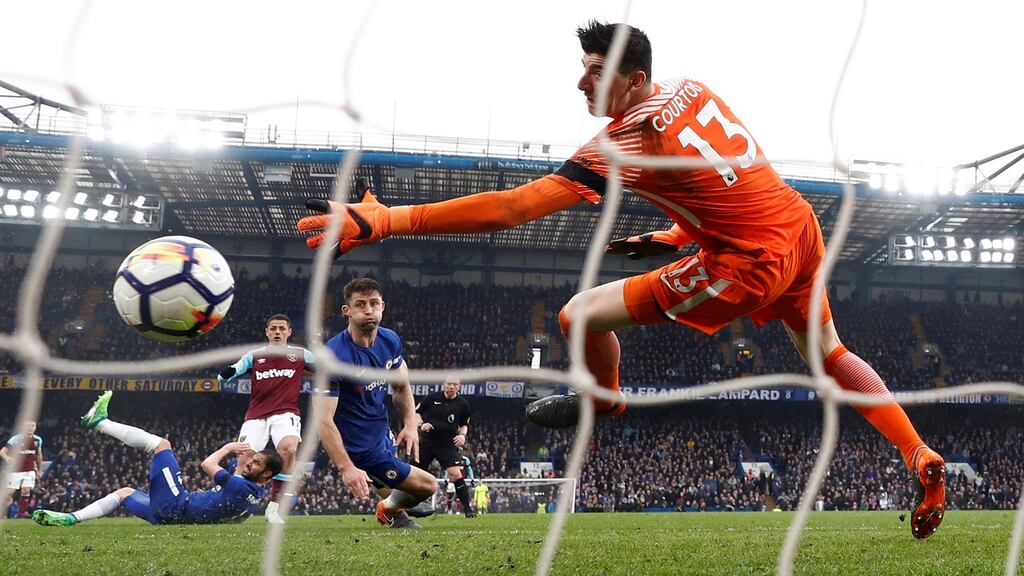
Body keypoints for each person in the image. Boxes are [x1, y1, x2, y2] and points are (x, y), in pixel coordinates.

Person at [294, 21, 946, 539]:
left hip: (749, 264)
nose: (583, 86)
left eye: (596, 73)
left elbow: (516, 208)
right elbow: (732, 184)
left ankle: (605, 402)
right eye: (581, 72)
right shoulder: (692, 89)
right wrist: (672, 237)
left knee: (578, 316)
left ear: (634, 81)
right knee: (832, 355)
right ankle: (920, 455)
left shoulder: (629, 135)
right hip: (797, 228)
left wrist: (386, 221)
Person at [32, 391, 282, 527]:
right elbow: (234, 519)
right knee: (124, 492)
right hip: (166, 518)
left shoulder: (239, 485)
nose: (250, 462)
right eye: (253, 459)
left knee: (162, 445)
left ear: (267, 474)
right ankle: (71, 518)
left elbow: (206, 464)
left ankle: (99, 423)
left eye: (256, 463)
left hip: (176, 506)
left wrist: (228, 447)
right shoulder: (255, 498)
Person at [319, 278, 437, 529]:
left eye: (374, 303)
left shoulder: (390, 340)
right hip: (359, 445)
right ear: (346, 310)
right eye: (360, 304)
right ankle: (391, 508)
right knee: (429, 487)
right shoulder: (334, 356)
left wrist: (409, 423)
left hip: (381, 428)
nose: (368, 309)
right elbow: (323, 420)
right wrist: (346, 468)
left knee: (386, 483)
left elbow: (401, 384)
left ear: (383, 306)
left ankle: (395, 513)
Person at [218, 313, 314, 524]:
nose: (277, 332)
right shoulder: (254, 356)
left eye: (281, 328)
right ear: (267, 332)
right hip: (256, 415)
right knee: (245, 459)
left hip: (285, 412)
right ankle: (233, 507)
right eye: (273, 328)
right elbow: (235, 369)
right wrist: (227, 373)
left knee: (288, 450)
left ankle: (275, 507)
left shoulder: (300, 354)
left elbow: (324, 367)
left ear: (289, 332)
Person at [413, 375, 475, 517]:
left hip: (447, 443)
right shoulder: (431, 398)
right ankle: (406, 506)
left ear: (459, 387)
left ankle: (468, 509)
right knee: (415, 473)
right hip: (427, 441)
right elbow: (417, 413)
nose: (451, 387)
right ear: (444, 385)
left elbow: (464, 424)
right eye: (449, 384)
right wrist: (422, 424)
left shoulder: (463, 404)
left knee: (455, 474)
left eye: (454, 384)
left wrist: (462, 435)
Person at [1, 420, 43, 518]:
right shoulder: (16, 439)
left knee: (26, 490)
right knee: (10, 491)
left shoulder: (38, 440)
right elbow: (2, 451)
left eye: (33, 426)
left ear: (35, 427)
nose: (31, 428)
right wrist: (7, 458)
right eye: (28, 426)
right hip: (15, 470)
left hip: (30, 470)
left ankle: (22, 512)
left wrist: (39, 470)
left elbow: (39, 455)